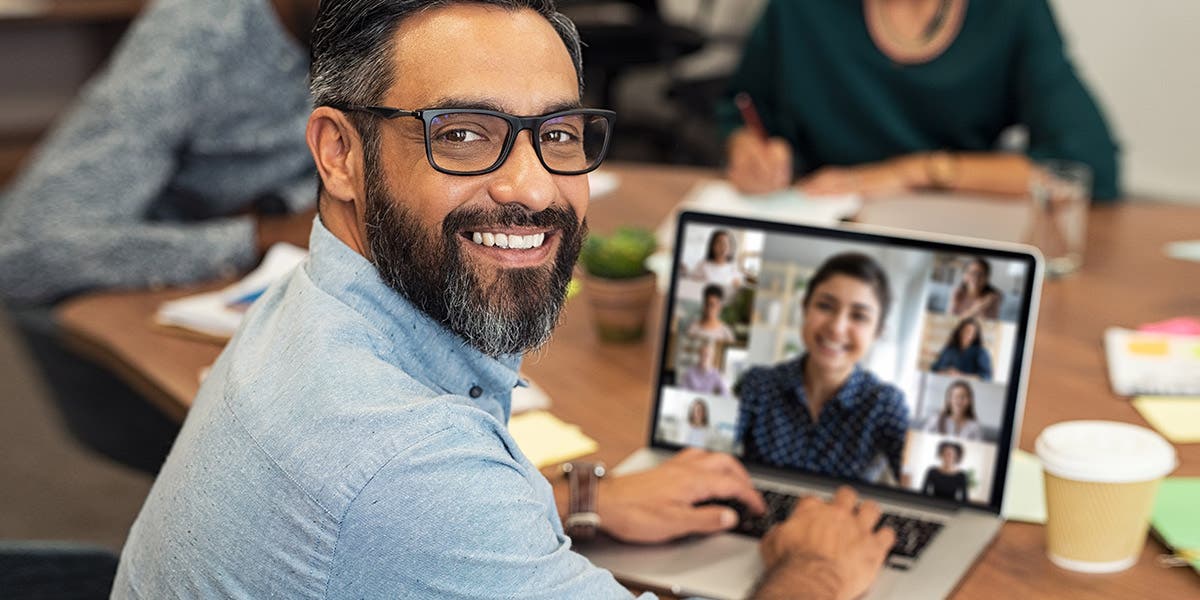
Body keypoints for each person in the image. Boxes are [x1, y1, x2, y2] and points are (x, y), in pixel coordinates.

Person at [112, 2, 895, 598]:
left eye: (557, 133)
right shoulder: (408, 467)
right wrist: (815, 570)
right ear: (339, 154)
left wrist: (581, 501)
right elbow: (408, 501)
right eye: (462, 133)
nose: (531, 186)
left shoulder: (305, 306)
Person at [0, 0, 322, 306]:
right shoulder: (196, 36)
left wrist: (283, 206)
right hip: (99, 311)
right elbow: (24, 252)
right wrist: (259, 237)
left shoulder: (348, 37)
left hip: (240, 283)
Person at [720, 0, 1120, 201]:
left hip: (951, 229)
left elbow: (1090, 169)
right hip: (819, 219)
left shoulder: (1011, 11)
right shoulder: (800, 9)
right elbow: (739, 107)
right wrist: (745, 147)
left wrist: (912, 172)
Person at [736, 252, 909, 483]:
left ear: (877, 332)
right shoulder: (757, 385)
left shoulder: (885, 404)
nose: (837, 328)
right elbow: (705, 455)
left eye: (858, 316)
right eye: (825, 306)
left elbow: (923, 483)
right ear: (805, 308)